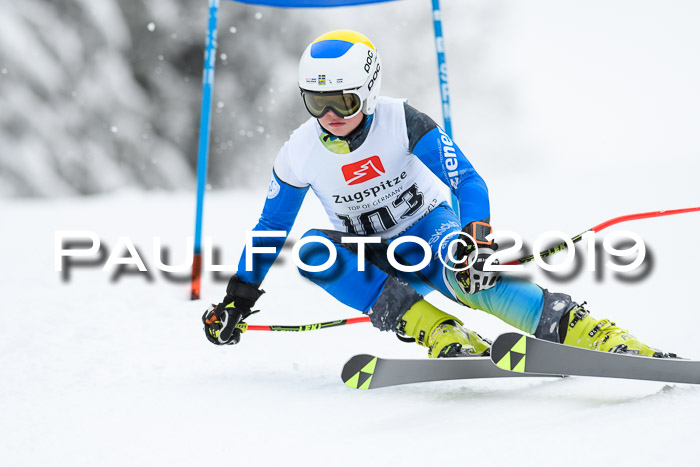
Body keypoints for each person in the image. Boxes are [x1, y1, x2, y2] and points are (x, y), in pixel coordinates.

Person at [203, 30, 671, 359]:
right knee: (313, 252)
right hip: (372, 254)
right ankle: (437, 329)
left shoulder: (400, 121)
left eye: (342, 102)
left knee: (465, 272)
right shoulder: (299, 153)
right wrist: (237, 300)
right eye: (316, 102)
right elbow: (270, 229)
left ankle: (586, 332)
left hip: (428, 232)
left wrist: (477, 239)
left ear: (367, 91)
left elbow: (468, 181)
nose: (329, 116)